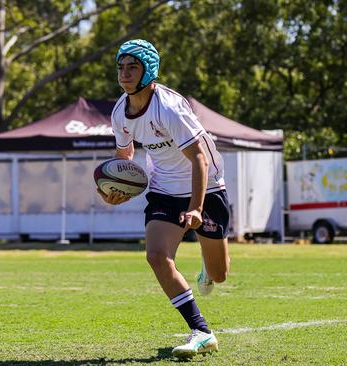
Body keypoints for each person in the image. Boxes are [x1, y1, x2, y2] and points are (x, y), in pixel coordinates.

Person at [97, 39, 231, 359]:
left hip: (207, 188)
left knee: (220, 273)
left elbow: (198, 159)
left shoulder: (169, 107)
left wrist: (196, 209)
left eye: (132, 67)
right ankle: (202, 332)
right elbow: (124, 155)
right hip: (165, 190)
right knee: (156, 256)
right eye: (121, 67)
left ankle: (205, 267)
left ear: (148, 70)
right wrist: (115, 189)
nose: (124, 74)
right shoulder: (120, 111)